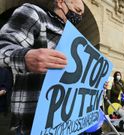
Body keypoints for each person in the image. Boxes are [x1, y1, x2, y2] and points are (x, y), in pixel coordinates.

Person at [0, 0, 84, 134]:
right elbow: (3, 45)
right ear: (61, 2)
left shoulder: (74, 37)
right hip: (32, 120)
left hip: (64, 120)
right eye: (78, 10)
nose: (79, 16)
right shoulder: (34, 13)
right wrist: (25, 57)